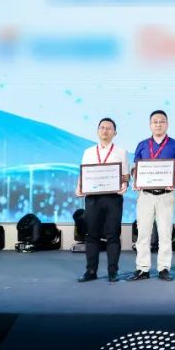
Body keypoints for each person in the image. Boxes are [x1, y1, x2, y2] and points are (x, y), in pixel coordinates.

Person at [131, 110, 175, 281]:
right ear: (150, 125)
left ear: (167, 124)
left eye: (162, 121)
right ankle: (142, 269)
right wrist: (136, 180)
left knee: (165, 233)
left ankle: (164, 268)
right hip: (145, 195)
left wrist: (174, 180)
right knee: (143, 234)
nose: (158, 124)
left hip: (166, 194)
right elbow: (136, 169)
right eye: (155, 122)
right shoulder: (142, 145)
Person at [75, 117, 129, 283]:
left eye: (109, 128)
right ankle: (91, 271)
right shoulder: (88, 152)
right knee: (92, 235)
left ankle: (113, 272)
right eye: (102, 127)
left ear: (115, 133)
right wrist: (79, 187)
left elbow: (126, 175)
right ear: (98, 131)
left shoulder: (121, 152)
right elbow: (83, 173)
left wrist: (125, 184)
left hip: (113, 198)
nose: (105, 131)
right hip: (93, 199)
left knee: (113, 235)